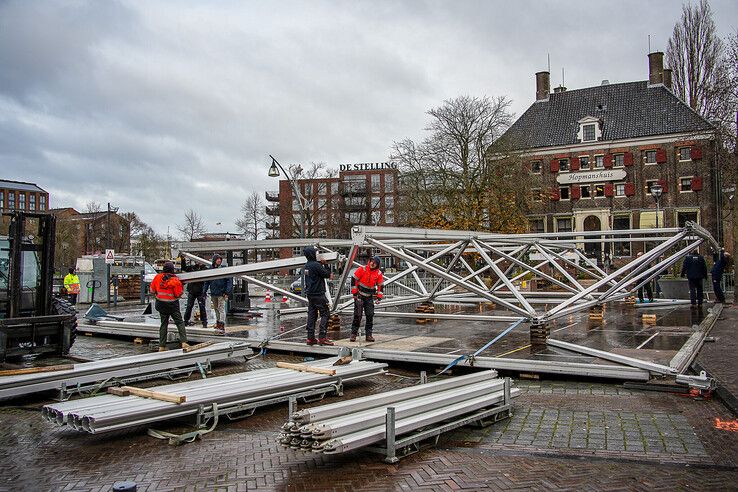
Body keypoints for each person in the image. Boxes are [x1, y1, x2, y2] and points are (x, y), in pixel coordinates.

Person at [149, 261, 189, 351]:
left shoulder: (157, 277)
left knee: (164, 324)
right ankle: (184, 342)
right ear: (172, 270)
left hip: (161, 304)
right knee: (179, 322)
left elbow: (152, 290)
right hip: (172, 305)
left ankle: (161, 346)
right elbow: (178, 294)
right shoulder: (175, 280)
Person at [303, 246, 334, 346]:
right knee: (325, 313)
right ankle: (322, 337)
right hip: (318, 294)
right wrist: (326, 265)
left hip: (310, 294)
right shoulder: (316, 265)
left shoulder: (307, 265)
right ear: (312, 254)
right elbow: (327, 274)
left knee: (312, 315)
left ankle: (310, 338)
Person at [350, 256, 384, 342]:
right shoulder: (363, 269)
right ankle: (353, 334)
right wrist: (354, 293)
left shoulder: (378, 273)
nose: (372, 264)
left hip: (369, 297)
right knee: (358, 315)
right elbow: (354, 279)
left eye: (375, 263)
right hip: (360, 296)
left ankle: (368, 335)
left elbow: (380, 286)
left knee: (370, 315)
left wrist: (379, 298)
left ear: (377, 265)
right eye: (372, 261)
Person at [203, 254, 233, 333]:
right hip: (214, 293)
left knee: (221, 309)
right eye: (218, 260)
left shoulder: (223, 269)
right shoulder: (211, 270)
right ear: (214, 260)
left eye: (220, 260)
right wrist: (204, 292)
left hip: (221, 293)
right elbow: (207, 282)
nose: (219, 261)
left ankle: (222, 324)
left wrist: (227, 291)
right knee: (216, 309)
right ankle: (218, 322)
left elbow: (229, 281)